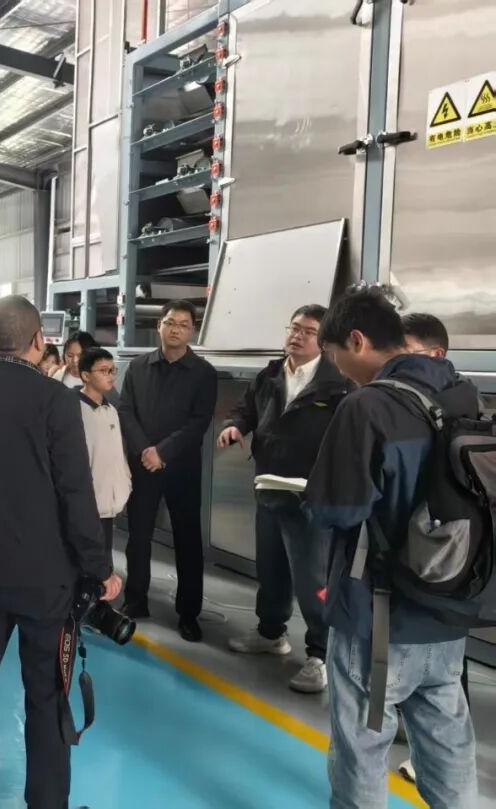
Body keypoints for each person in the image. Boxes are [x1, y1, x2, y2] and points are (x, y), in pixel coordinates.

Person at [0, 295, 120, 809]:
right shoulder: (55, 400)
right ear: (39, 339)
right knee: (46, 691)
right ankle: (46, 801)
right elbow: (75, 493)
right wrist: (100, 569)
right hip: (44, 576)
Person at [306, 288, 479, 808]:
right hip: (447, 607)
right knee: (448, 745)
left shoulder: (366, 406)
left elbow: (336, 511)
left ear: (357, 341)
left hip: (376, 616)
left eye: (335, 355)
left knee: (362, 747)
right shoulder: (461, 393)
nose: (337, 368)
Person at [217, 304, 351, 693]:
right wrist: (234, 426)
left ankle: (321, 654)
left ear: (324, 341)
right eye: (293, 328)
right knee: (271, 567)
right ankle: (271, 632)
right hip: (269, 487)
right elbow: (245, 410)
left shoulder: (338, 384)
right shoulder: (271, 375)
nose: (297, 336)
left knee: (313, 580)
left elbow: (347, 439)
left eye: (308, 331)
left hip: (311, 499)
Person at [398, 311, 471, 785]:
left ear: (435, 354)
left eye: (402, 351)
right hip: (449, 545)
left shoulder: (447, 403)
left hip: (445, 543)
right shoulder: (459, 396)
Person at [118, 300, 217, 642]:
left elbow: (199, 422)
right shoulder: (138, 367)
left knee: (187, 540)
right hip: (143, 466)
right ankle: (135, 600)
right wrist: (145, 450)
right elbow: (125, 411)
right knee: (138, 536)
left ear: (192, 331)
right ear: (159, 325)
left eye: (184, 325)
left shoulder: (203, 373)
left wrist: (162, 452)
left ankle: (188, 613)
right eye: (170, 322)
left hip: (182, 469)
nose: (176, 329)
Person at [77, 347, 131, 559]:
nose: (110, 376)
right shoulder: (74, 409)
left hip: (108, 501)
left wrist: (125, 482)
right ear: (85, 375)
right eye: (103, 371)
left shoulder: (111, 410)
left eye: (112, 370)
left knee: (104, 558)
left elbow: (117, 453)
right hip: (85, 502)